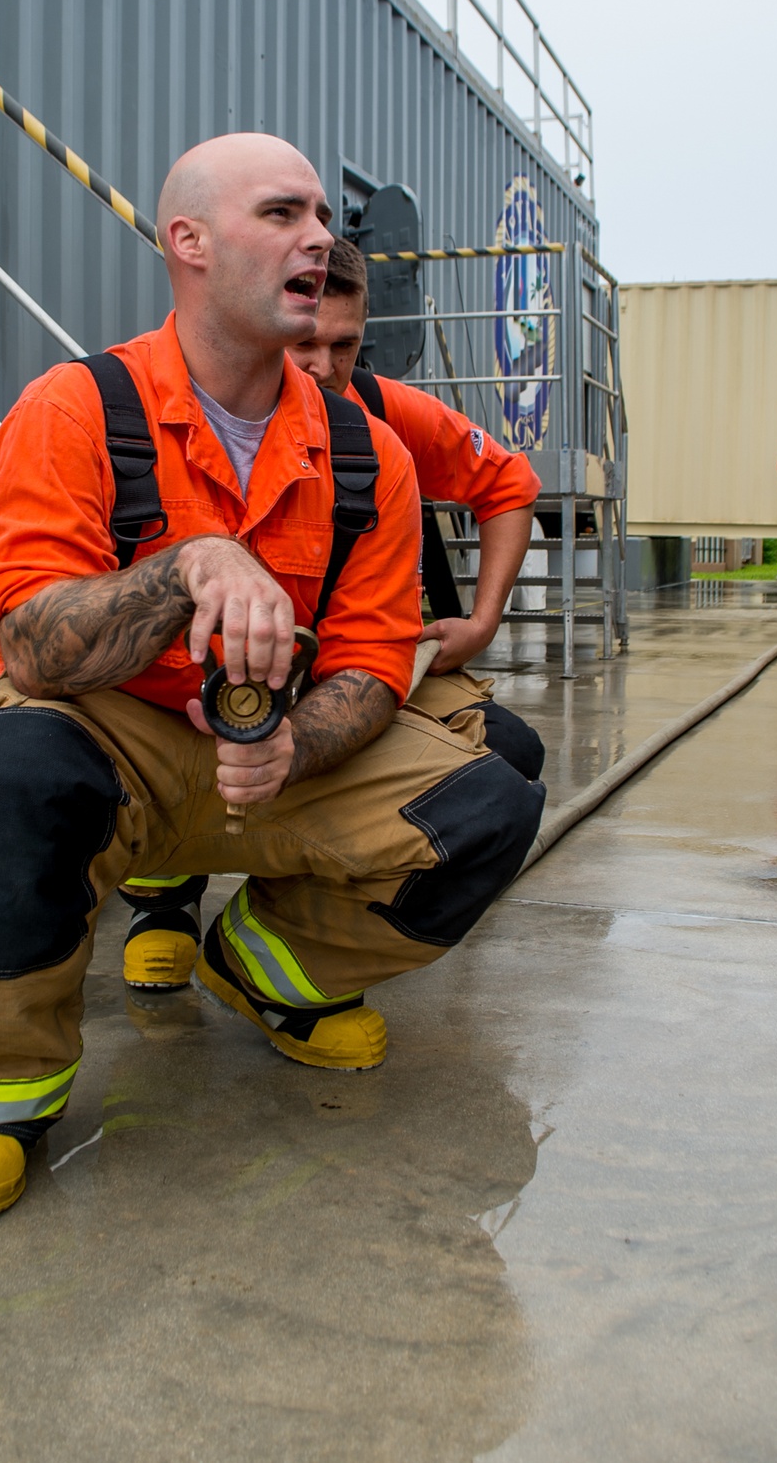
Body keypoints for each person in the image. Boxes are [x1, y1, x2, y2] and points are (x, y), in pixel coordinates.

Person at [0, 134, 545, 1221]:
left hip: (277, 757)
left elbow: (372, 660)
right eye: (282, 214)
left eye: (321, 218)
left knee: (489, 796)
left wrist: (301, 743)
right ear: (187, 242)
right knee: (3, 770)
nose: (319, 237)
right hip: (115, 742)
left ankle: (263, 968)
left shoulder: (369, 454)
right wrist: (189, 566)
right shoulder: (73, 410)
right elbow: (29, 651)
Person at [122, 237, 545, 991]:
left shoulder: (377, 420)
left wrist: (481, 622)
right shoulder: (164, 409)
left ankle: (273, 935)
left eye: (343, 346)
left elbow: (508, 483)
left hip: (347, 662)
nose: (320, 366)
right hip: (198, 675)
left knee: (507, 761)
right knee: (156, 734)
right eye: (305, 342)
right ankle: (162, 901)